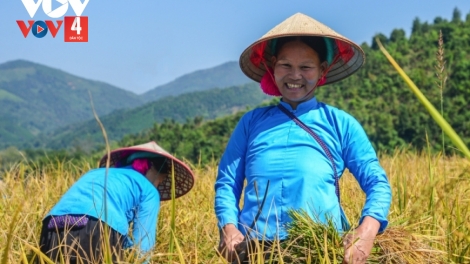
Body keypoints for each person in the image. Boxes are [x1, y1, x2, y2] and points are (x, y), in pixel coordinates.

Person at [214, 13, 392, 264]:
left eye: (306, 67)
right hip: (253, 251)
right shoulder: (251, 123)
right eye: (286, 65)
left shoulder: (340, 124)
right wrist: (229, 228)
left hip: (320, 249)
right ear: (273, 66)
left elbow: (377, 183)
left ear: (321, 70)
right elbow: (227, 183)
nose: (295, 76)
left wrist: (367, 230)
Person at [37, 141, 195, 264]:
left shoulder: (97, 173)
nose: (160, 183)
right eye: (163, 177)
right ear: (152, 168)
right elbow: (143, 246)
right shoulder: (148, 190)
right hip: (95, 226)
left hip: (52, 226)